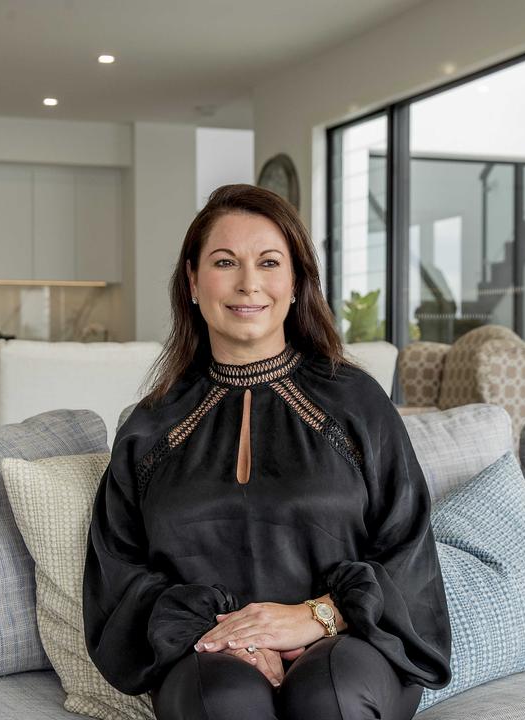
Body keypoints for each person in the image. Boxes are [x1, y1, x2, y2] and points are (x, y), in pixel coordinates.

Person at [82, 184, 451, 719]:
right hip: (207, 654)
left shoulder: (357, 402)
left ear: (297, 282)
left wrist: (320, 617)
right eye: (225, 262)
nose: (248, 283)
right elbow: (117, 572)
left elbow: (406, 545)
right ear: (192, 280)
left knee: (330, 693)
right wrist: (225, 633)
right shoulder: (149, 427)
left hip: (352, 646)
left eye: (269, 262)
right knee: (224, 699)